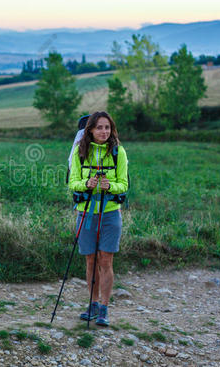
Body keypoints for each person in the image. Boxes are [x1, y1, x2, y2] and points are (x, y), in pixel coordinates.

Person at [68, 111, 128, 326]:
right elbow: (72, 181)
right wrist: (87, 184)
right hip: (86, 213)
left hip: (111, 213)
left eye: (108, 128)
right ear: (90, 130)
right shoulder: (80, 152)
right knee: (90, 260)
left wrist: (110, 186)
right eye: (100, 127)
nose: (104, 132)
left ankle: (104, 307)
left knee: (105, 260)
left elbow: (124, 184)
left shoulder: (118, 152)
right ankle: (92, 304)